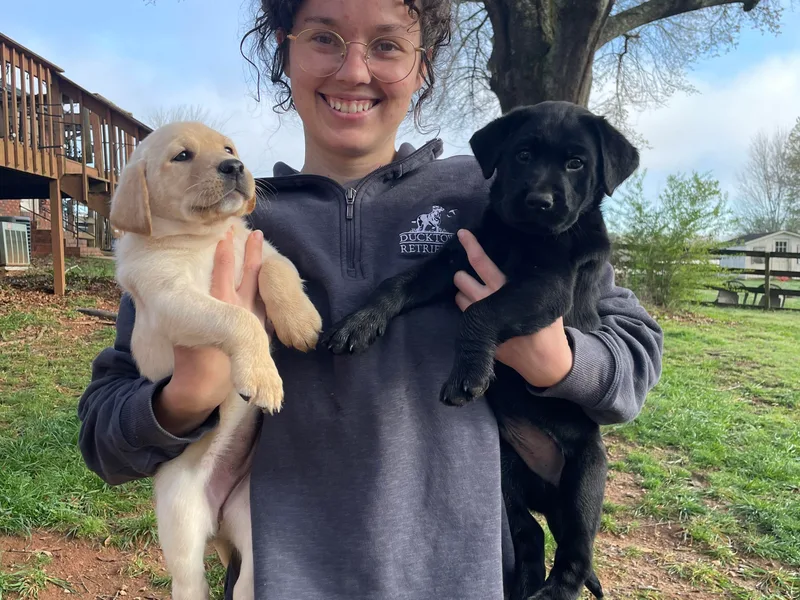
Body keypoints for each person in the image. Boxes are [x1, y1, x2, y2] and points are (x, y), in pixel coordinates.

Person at [77, 0, 663, 598]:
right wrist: (187, 395)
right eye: (324, 38)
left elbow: (636, 356)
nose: (355, 70)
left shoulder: (492, 198)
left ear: (423, 66)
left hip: (465, 580)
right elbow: (104, 436)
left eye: (387, 45)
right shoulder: (219, 224)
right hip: (285, 581)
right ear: (284, 49)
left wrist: (557, 360)